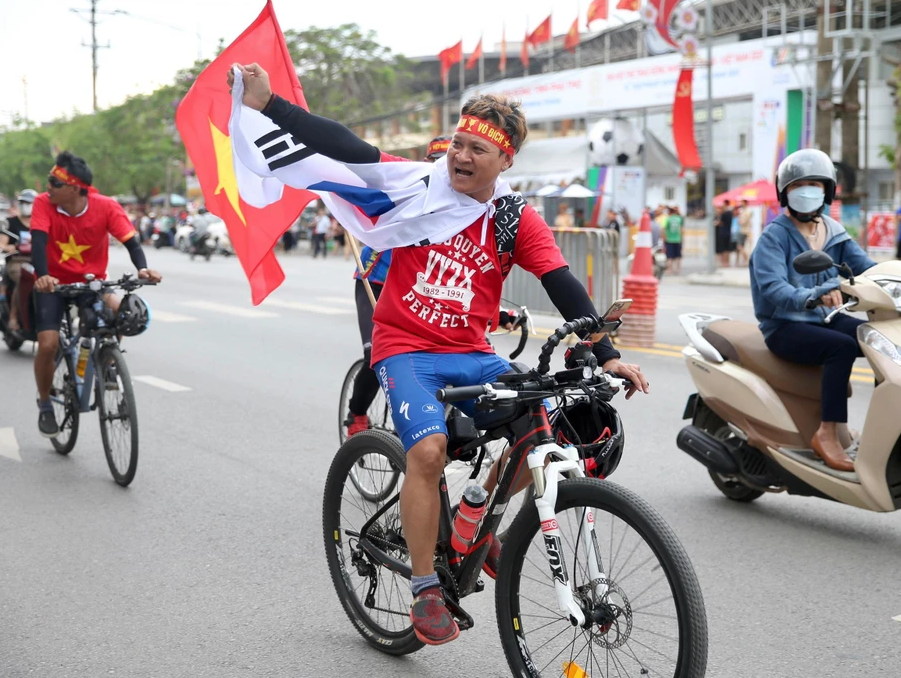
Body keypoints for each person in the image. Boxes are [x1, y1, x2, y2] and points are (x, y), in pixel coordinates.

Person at [230, 62, 648, 647]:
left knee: (552, 430)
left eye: (478, 149)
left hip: (474, 354)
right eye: (458, 143)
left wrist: (604, 354)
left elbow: (561, 281)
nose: (461, 156)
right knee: (427, 453)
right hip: (405, 349)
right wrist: (269, 102)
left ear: (505, 162)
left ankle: (475, 508)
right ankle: (426, 587)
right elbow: (344, 146)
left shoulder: (512, 218)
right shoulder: (413, 186)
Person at [750, 149, 876, 472]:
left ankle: (882, 425)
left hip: (823, 320)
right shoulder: (773, 238)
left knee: (876, 337)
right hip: (784, 326)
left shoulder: (833, 232)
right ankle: (828, 433)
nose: (807, 190)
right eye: (798, 184)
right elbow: (775, 290)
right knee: (842, 347)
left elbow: (866, 268)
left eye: (814, 184)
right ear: (785, 192)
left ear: (827, 191)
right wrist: (816, 295)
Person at [30, 151, 162, 438]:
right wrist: (42, 277)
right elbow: (38, 243)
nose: (47, 186)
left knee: (121, 311)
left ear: (75, 187)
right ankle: (44, 405)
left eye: (54, 182)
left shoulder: (106, 206)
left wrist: (143, 269)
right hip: (52, 284)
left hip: (91, 284)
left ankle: (109, 362)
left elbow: (131, 241)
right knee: (49, 344)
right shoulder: (43, 203)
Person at [344, 136, 447, 437]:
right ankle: (357, 414)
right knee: (376, 355)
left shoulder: (462, 204)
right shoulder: (408, 189)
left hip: (417, 288)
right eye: (436, 162)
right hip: (375, 280)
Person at [0, 190, 36, 332]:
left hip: (37, 262)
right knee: (24, 278)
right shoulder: (10, 223)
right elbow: (1, 246)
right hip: (17, 262)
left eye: (29, 203)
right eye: (23, 203)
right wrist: (12, 247)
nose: (26, 206)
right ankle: (13, 317)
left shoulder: (40, 222)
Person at [664, 206, 684, 274]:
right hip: (677, 239)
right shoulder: (679, 219)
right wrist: (681, 238)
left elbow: (664, 229)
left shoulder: (668, 219)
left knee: (670, 256)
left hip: (669, 239)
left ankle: (670, 269)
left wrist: (664, 238)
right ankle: (678, 269)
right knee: (678, 256)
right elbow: (681, 230)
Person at [715, 199, 733, 268]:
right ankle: (727, 262)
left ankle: (724, 262)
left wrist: (716, 223)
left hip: (723, 232)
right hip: (728, 232)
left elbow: (720, 223)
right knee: (727, 248)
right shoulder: (730, 213)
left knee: (723, 248)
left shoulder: (724, 213)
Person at [737, 198, 752, 266]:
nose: (741, 204)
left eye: (742, 202)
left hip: (745, 231)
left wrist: (740, 221)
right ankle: (746, 260)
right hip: (743, 230)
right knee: (741, 246)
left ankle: (747, 260)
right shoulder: (743, 211)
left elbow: (743, 222)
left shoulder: (747, 211)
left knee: (741, 246)